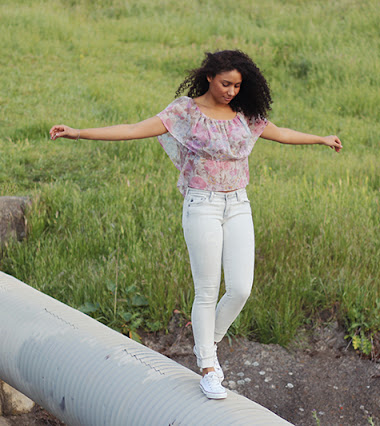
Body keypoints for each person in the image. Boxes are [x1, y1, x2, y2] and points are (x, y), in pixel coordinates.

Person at [50, 49, 342, 399]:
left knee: (240, 289)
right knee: (206, 289)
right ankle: (208, 366)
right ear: (208, 77)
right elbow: (133, 128)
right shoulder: (186, 112)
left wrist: (321, 139)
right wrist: (78, 132)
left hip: (238, 204)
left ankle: (207, 340)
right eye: (225, 84)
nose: (231, 91)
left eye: (237, 85)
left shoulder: (243, 113)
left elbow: (281, 133)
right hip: (202, 204)